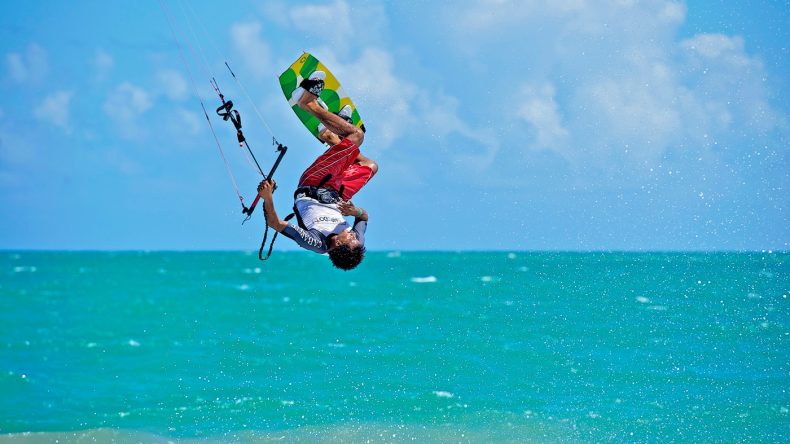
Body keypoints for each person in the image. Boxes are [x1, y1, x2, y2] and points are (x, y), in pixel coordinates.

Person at [256, 72, 378, 270]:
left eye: (350, 237)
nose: (354, 234)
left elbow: (275, 224)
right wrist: (355, 211)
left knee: (356, 136)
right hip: (337, 193)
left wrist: (267, 197)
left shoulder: (315, 241)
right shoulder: (357, 244)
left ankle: (307, 103)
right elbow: (363, 217)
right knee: (370, 166)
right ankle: (332, 138)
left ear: (338, 244)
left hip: (314, 184)